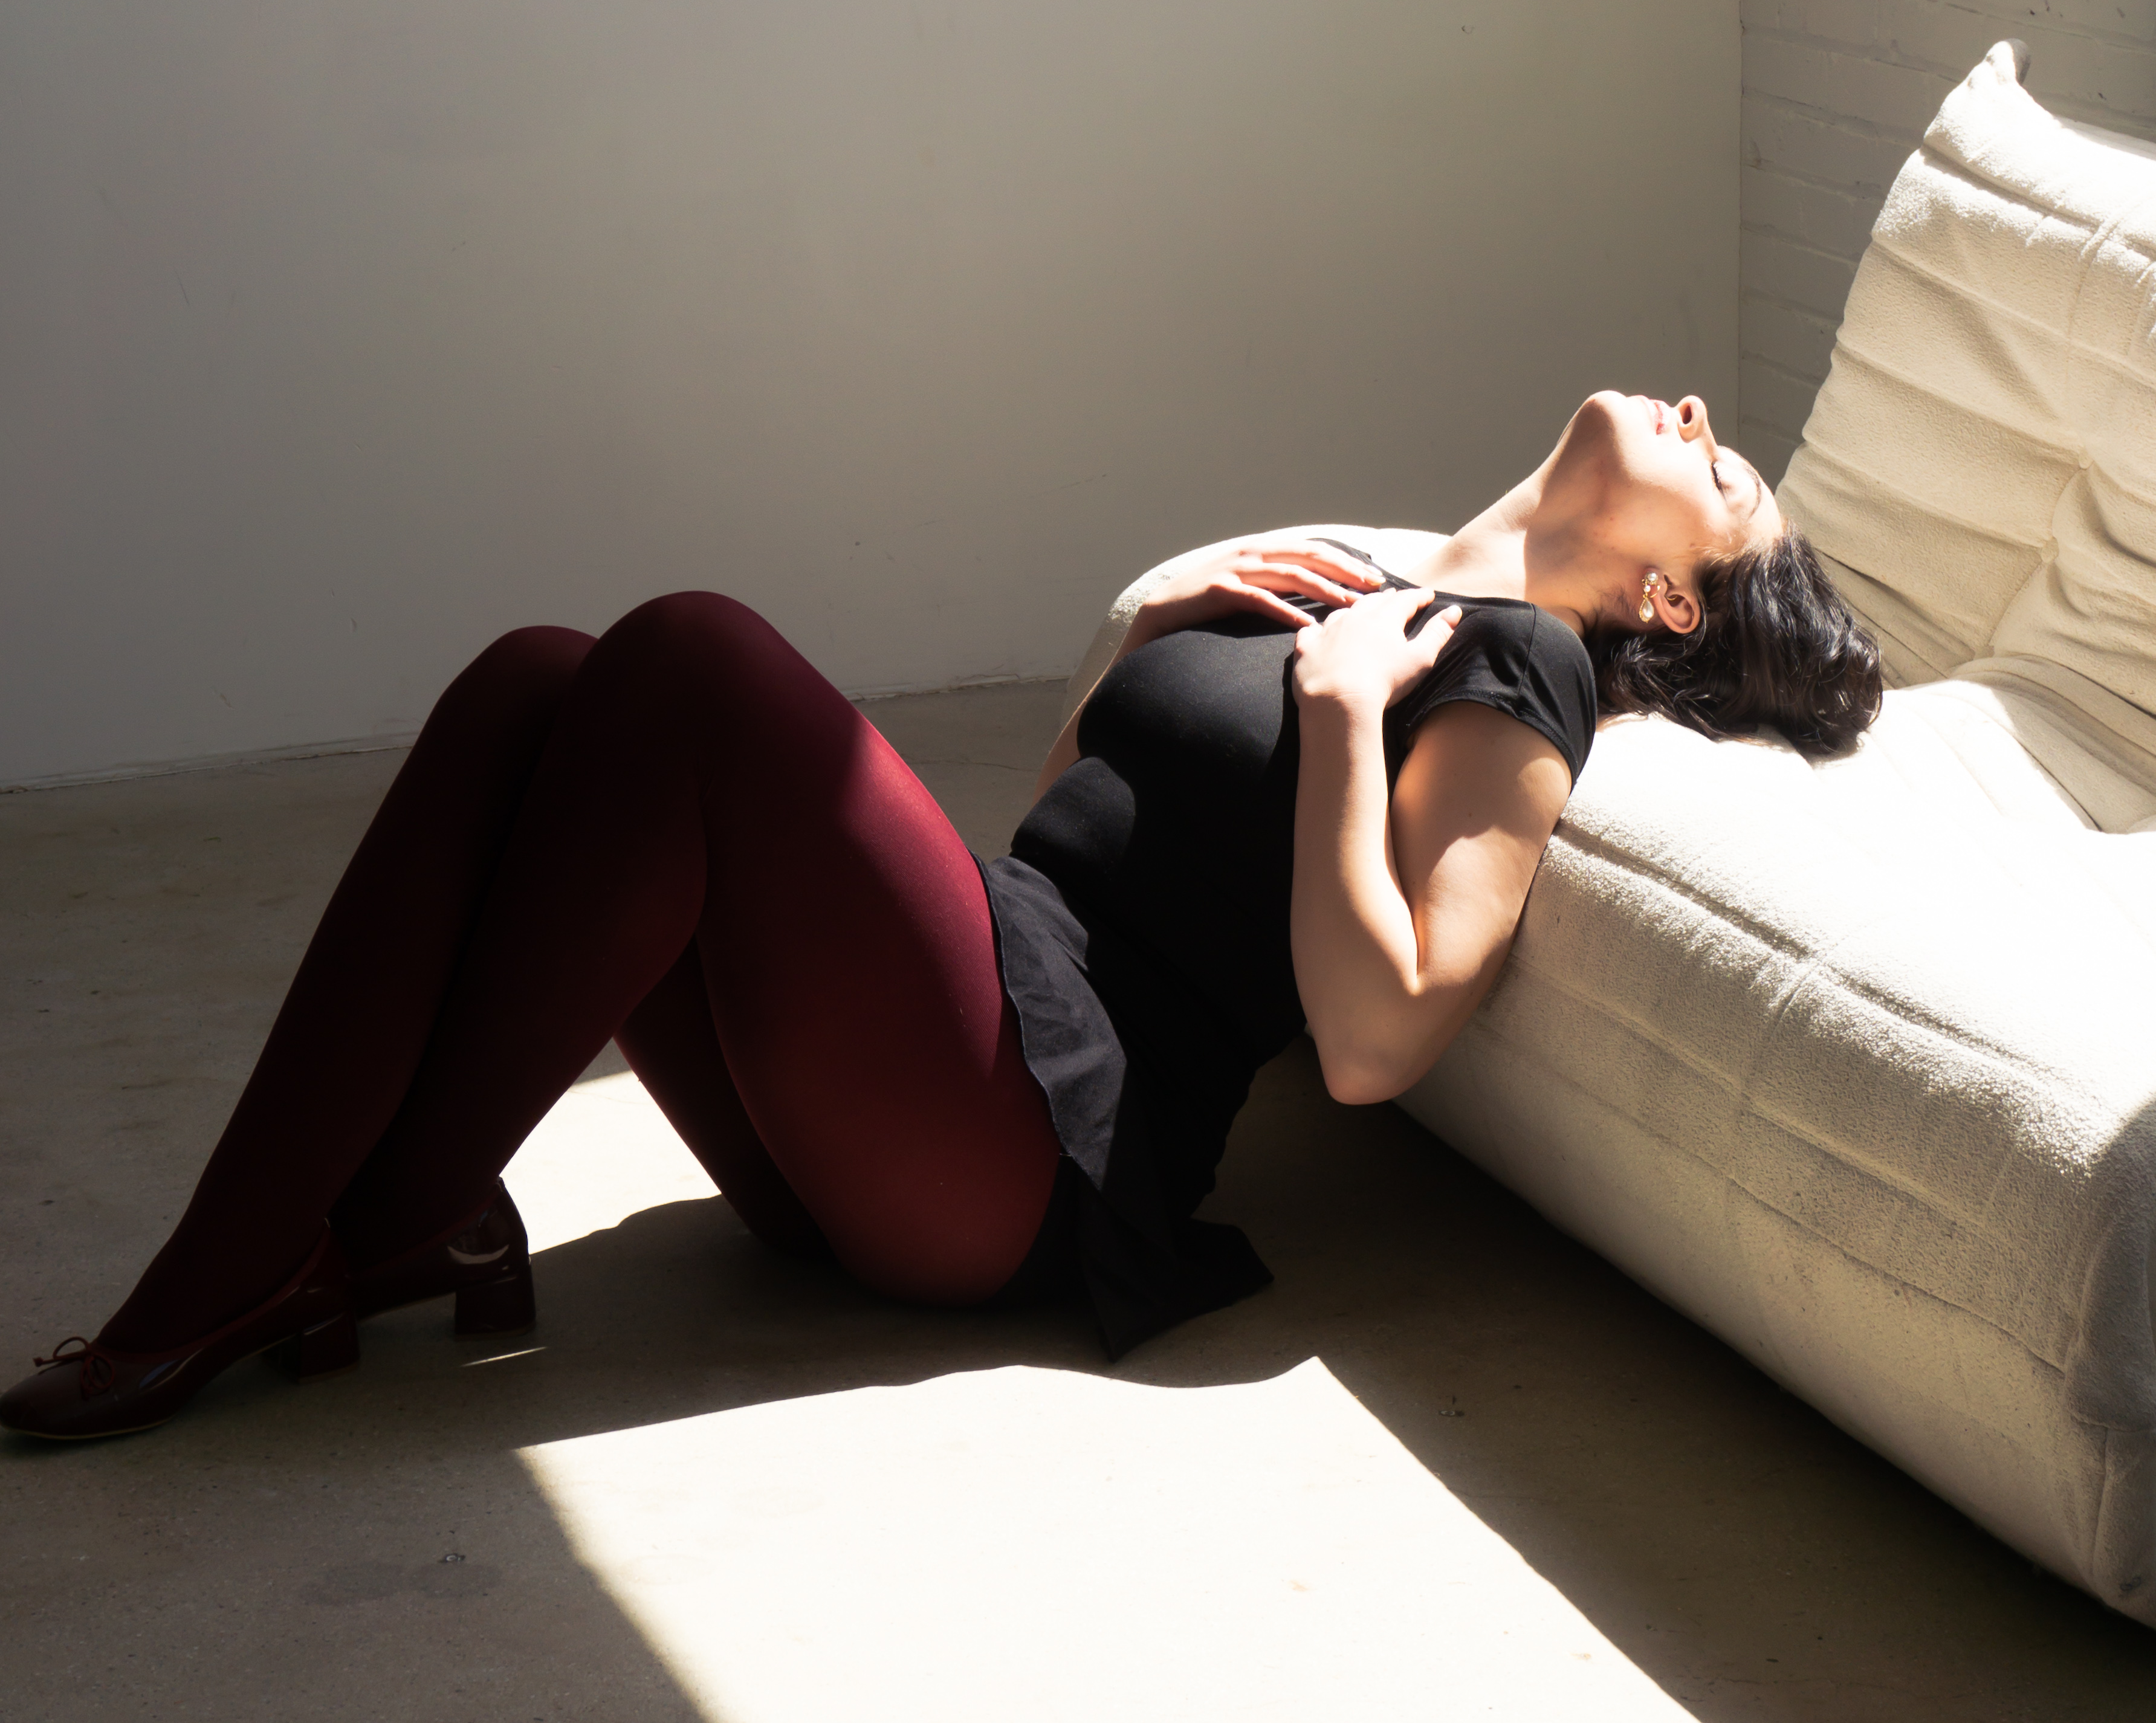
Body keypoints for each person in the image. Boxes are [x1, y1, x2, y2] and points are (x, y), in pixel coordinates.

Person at [3, 390, 1879, 1440]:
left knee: (691, 659)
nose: (1699, 416)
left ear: (1674, 603)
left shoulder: (1515, 669)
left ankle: (292, 1257)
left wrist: (1331, 720)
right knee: (537, 679)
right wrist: (1164, 648)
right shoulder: (1357, 591)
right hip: (951, 1059)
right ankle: (360, 1231)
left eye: (1721, 474)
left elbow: (1382, 1040)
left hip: (1027, 1164)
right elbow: (1076, 842)